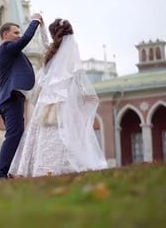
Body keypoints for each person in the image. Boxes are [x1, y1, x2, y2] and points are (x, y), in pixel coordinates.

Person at [9, 18, 108, 177]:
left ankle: (43, 169)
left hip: (48, 103)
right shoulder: (67, 55)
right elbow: (77, 78)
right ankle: (55, 168)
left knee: (47, 136)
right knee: (62, 135)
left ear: (54, 35)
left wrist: (41, 29)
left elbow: (46, 47)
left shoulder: (53, 55)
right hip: (59, 103)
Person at [0, 13, 43, 180]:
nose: (19, 35)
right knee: (14, 135)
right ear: (5, 35)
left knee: (16, 134)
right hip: (10, 99)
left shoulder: (12, 53)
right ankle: (0, 174)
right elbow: (26, 39)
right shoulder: (6, 49)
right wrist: (35, 21)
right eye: (16, 32)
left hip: (14, 99)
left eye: (19, 32)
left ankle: (7, 172)